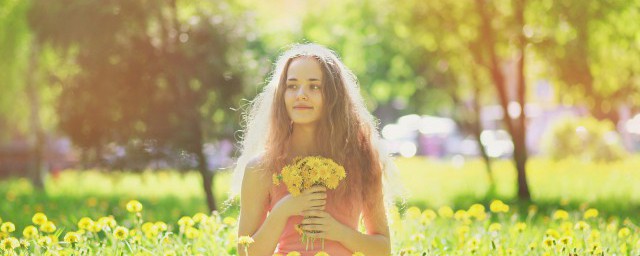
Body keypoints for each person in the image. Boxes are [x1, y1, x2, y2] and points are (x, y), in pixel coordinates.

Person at [231, 43, 402, 256]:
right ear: (281, 95)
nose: (301, 94)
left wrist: (339, 232)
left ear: (334, 97)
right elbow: (246, 252)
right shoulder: (261, 168)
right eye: (292, 86)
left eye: (314, 86)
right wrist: (284, 209)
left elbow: (383, 249)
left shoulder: (363, 162)